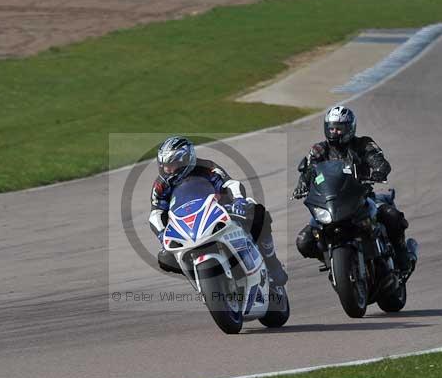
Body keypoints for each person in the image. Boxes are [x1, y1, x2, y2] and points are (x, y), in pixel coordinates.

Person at [149, 136, 288, 285]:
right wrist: (161, 234)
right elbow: (156, 213)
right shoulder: (161, 185)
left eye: (172, 165)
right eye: (164, 165)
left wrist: (239, 201)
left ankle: (272, 263)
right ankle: (200, 281)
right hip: (186, 224)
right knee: (165, 258)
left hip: (218, 211)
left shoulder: (207, 168)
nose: (167, 170)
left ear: (186, 160)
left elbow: (231, 184)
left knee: (257, 211)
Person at [292, 105, 413, 273]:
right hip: (331, 203)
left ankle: (402, 256)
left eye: (339, 129)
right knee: (304, 241)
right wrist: (302, 185)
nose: (335, 132)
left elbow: (379, 161)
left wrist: (378, 171)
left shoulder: (363, 144)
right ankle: (332, 259)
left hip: (362, 197)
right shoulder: (319, 150)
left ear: (350, 128)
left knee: (391, 216)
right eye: (331, 128)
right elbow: (308, 170)